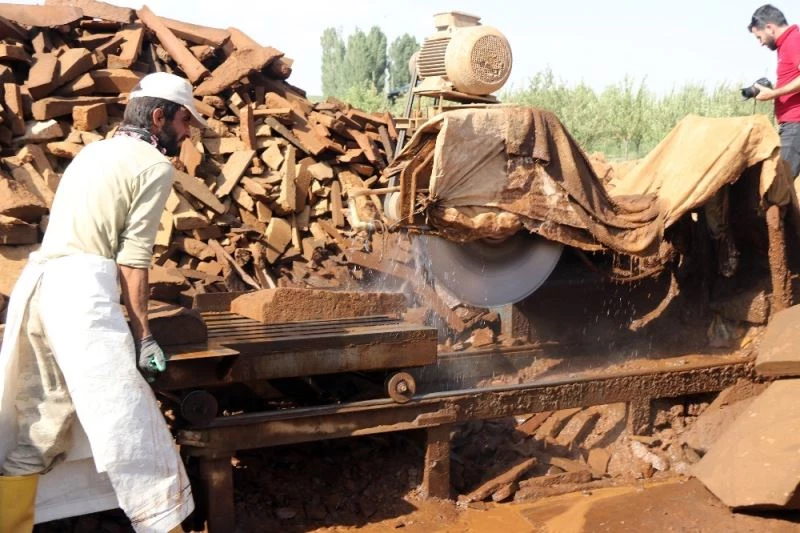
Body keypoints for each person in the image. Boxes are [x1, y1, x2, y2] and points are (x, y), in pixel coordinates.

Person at [0, 72, 206, 532]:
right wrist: (145, 336)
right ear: (159, 117)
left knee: (42, 419)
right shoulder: (153, 165)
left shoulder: (93, 152)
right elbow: (133, 260)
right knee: (132, 424)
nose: (187, 132)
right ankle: (165, 522)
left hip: (41, 289)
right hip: (82, 301)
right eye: (184, 122)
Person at [748, 4, 800, 178]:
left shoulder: (793, 40)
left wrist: (774, 93)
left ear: (769, 27)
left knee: (778, 188)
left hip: (796, 124)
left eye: (759, 37)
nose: (760, 43)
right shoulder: (787, 43)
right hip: (792, 125)